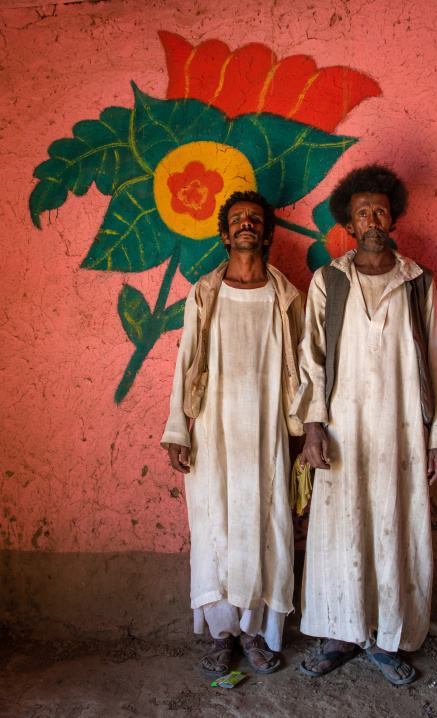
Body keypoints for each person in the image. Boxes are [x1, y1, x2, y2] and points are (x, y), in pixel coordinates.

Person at [290, 165, 437, 685]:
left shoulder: (417, 283)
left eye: (380, 211)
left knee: (395, 529)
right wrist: (314, 427)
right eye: (362, 211)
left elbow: (436, 360)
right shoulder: (329, 281)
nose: (371, 219)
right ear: (349, 220)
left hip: (402, 432)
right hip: (343, 431)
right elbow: (311, 361)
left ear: (393, 217)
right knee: (339, 531)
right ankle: (341, 633)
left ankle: (387, 639)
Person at [161, 190, 304, 677]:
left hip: (267, 433)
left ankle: (255, 631)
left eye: (255, 220)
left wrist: (304, 431)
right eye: (237, 219)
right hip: (215, 434)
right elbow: (185, 364)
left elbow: (302, 368)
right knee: (215, 528)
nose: (246, 225)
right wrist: (179, 431)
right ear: (224, 234)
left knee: (265, 527)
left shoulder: (285, 296)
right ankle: (222, 635)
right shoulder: (205, 293)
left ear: (266, 234)